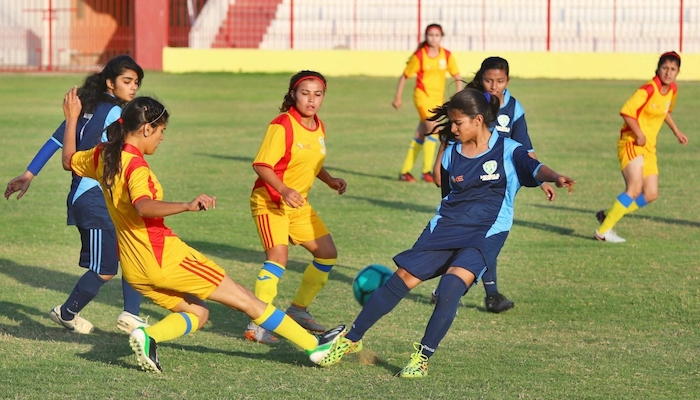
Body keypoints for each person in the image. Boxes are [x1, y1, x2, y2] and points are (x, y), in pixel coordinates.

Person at [60, 91, 345, 373]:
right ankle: (314, 347)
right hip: (165, 257)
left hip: (135, 268)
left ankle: (148, 337)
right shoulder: (135, 167)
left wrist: (72, 119)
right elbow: (143, 207)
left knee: (198, 313)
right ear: (146, 128)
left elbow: (68, 160)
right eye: (161, 131)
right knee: (247, 300)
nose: (162, 137)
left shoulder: (103, 156)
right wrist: (187, 205)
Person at [317, 88, 575, 378]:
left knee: (451, 287)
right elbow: (447, 196)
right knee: (401, 278)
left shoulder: (509, 149)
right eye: (451, 122)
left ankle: (422, 358)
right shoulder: (451, 153)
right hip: (447, 226)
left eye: (458, 123)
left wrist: (555, 177)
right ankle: (351, 340)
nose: (452, 129)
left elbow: (535, 167)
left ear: (478, 120)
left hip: (486, 232)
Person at [4, 55, 148, 334]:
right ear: (110, 82)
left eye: (136, 83)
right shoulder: (114, 113)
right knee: (105, 269)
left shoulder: (88, 107)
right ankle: (67, 312)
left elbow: (56, 140)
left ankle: (131, 315)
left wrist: (29, 174)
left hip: (104, 197)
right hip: (94, 197)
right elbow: (71, 154)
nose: (133, 88)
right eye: (127, 81)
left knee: (132, 249)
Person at [431, 56, 554, 313]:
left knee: (484, 236)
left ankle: (457, 287)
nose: (493, 86)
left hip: (498, 183)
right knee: (480, 235)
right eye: (488, 80)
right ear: (481, 77)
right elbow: (450, 135)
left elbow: (525, 150)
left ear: (507, 81)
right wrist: (439, 163)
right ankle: (485, 293)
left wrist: (543, 179)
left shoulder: (514, 108)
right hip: (468, 177)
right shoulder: (470, 100)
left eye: (499, 81)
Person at [247, 70, 347, 344]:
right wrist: (283, 189)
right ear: (293, 94)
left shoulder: (319, 126)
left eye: (318, 94)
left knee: (327, 254)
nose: (311, 100)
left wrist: (329, 180)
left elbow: (311, 161)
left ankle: (298, 310)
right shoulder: (282, 125)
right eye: (305, 93)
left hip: (298, 204)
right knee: (278, 259)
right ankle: (256, 326)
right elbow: (261, 165)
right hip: (271, 202)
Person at [595, 51, 688, 243]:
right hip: (631, 142)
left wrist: (676, 131)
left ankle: (609, 214)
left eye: (673, 69)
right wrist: (639, 134)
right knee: (634, 188)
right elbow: (627, 112)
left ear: (677, 72)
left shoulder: (672, 90)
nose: (668, 73)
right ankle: (603, 231)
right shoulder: (648, 90)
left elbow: (665, 111)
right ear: (658, 69)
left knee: (651, 193)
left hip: (649, 148)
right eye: (665, 68)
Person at [393, 23, 462, 183]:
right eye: (430, 35)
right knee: (434, 130)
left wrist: (458, 96)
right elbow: (405, 76)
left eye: (436, 35)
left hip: (438, 100)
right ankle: (427, 171)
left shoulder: (446, 55)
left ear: (441, 37)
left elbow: (457, 75)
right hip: (422, 97)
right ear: (426, 36)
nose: (433, 38)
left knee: (420, 134)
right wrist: (398, 97)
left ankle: (405, 172)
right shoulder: (420, 56)